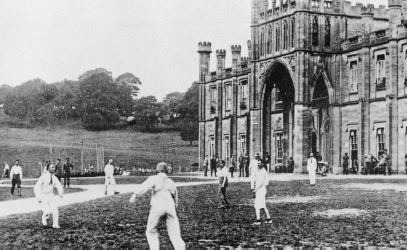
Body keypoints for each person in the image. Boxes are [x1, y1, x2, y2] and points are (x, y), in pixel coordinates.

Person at [129, 162, 185, 249]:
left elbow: (145, 186)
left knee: (151, 230)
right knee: (175, 232)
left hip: (158, 204)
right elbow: (175, 196)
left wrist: (135, 194)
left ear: (156, 170)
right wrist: (174, 207)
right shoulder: (170, 181)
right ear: (167, 171)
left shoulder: (154, 178)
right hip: (170, 205)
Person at [34, 164, 64, 229]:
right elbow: (36, 187)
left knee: (55, 211)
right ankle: (44, 220)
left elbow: (59, 185)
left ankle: (55, 224)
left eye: (54, 167)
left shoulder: (54, 177)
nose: (54, 168)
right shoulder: (43, 177)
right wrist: (38, 197)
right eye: (52, 167)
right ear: (48, 168)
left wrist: (60, 192)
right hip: (43, 195)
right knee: (47, 211)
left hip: (50, 195)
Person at [251, 160, 272, 225]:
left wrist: (255, 189)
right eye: (257, 163)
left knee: (257, 205)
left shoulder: (263, 171)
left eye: (259, 163)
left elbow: (261, 182)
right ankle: (269, 219)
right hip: (260, 189)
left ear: (262, 164)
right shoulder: (260, 171)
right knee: (262, 205)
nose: (258, 165)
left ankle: (258, 220)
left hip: (261, 189)